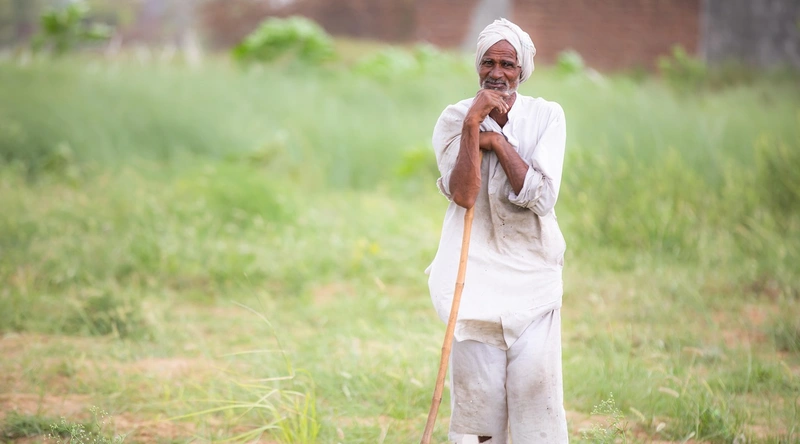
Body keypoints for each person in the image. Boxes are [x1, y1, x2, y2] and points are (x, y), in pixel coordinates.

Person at [425, 18, 568, 444]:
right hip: (473, 278)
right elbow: (463, 195)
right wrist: (474, 126)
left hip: (533, 275)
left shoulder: (546, 116)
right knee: (479, 408)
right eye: (489, 62)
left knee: (536, 397)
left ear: (521, 71)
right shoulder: (455, 118)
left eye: (508, 64)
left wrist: (500, 143)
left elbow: (542, 198)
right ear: (478, 67)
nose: (497, 73)